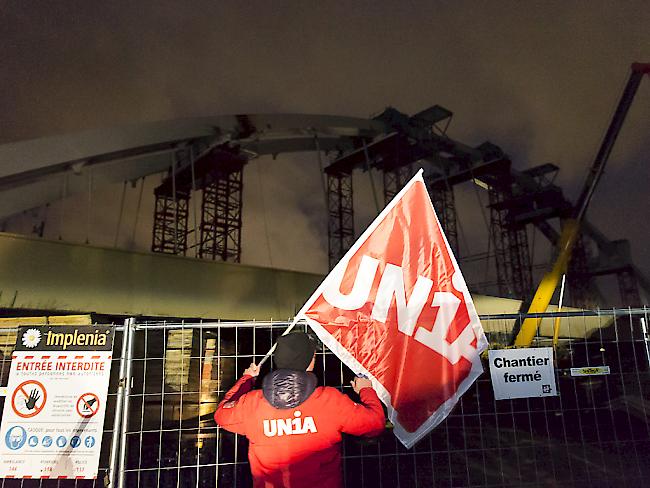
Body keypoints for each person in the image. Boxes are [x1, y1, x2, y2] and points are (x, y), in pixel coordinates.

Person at [214, 331, 385, 488]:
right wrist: (366, 390)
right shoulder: (329, 401)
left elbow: (221, 414)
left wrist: (247, 380)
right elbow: (375, 423)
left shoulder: (251, 404)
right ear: (310, 361)